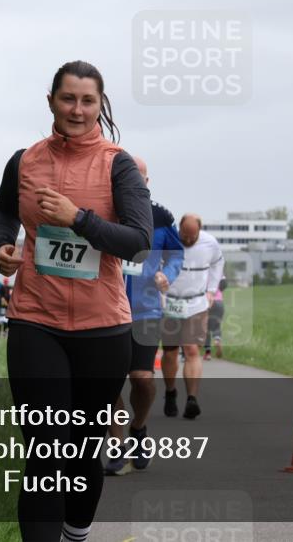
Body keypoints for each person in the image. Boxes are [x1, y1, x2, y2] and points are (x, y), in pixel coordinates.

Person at [0, 60, 152, 542]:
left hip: (102, 329)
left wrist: (78, 218)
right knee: (44, 449)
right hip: (35, 320)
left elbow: (138, 241)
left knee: (81, 450)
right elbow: (3, 208)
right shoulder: (24, 160)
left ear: (100, 104)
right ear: (51, 102)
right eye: (68, 99)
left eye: (87, 100)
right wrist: (2, 243)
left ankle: (76, 533)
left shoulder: (118, 164)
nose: (77, 109)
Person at [105, 156, 184, 476]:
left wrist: (169, 274)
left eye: (140, 178)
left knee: (141, 379)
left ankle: (138, 428)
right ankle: (117, 445)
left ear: (147, 183)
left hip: (146, 308)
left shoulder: (162, 218)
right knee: (108, 385)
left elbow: (176, 254)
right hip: (106, 308)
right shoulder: (105, 212)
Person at [161, 214, 223, 420]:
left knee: (191, 349)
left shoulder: (210, 243)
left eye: (192, 236)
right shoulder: (169, 239)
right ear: (179, 229)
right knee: (170, 352)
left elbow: (217, 264)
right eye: (184, 235)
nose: (187, 240)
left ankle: (191, 399)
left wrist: (211, 290)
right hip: (170, 301)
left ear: (199, 231)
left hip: (196, 302)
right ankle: (170, 392)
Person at [203, 277, 227, 360]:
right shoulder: (219, 272)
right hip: (219, 302)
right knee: (216, 325)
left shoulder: (204, 270)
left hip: (208, 302)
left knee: (206, 328)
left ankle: (208, 353)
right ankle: (217, 340)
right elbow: (224, 285)